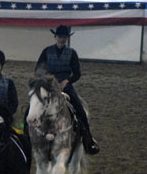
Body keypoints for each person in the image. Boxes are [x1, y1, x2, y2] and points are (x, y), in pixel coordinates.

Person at [35, 25, 100, 155]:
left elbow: (77, 73)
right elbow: (38, 69)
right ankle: (28, 134)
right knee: (33, 107)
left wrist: (67, 81)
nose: (62, 39)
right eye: (60, 37)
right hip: (49, 85)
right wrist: (48, 80)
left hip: (66, 86)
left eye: (64, 37)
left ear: (67, 39)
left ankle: (88, 139)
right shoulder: (46, 51)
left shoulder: (72, 53)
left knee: (79, 109)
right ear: (55, 37)